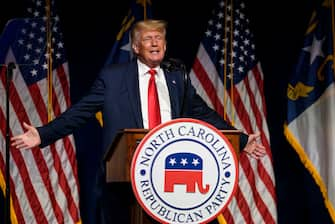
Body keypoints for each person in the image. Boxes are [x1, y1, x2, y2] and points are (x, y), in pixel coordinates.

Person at [11, 19, 266, 223]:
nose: (155, 43)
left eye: (159, 38)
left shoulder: (177, 76)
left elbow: (202, 112)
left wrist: (241, 139)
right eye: (148, 39)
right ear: (135, 47)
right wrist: (43, 134)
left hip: (167, 181)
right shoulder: (113, 77)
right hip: (125, 181)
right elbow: (81, 111)